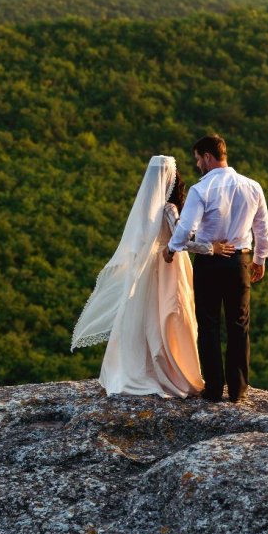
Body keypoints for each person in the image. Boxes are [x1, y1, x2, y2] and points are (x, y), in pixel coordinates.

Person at [71, 155, 232, 398]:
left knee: (146, 318)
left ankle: (142, 369)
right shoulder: (170, 208)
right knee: (172, 316)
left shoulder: (146, 209)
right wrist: (212, 248)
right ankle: (172, 371)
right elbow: (182, 240)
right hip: (170, 266)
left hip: (148, 268)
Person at [164, 134, 268, 403]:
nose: (198, 164)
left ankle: (213, 389)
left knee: (210, 324)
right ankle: (238, 390)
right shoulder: (252, 186)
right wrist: (260, 259)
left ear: (208, 157)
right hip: (240, 261)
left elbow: (187, 228)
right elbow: (262, 227)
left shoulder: (202, 190)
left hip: (210, 263)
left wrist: (171, 249)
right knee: (239, 324)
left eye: (198, 159)